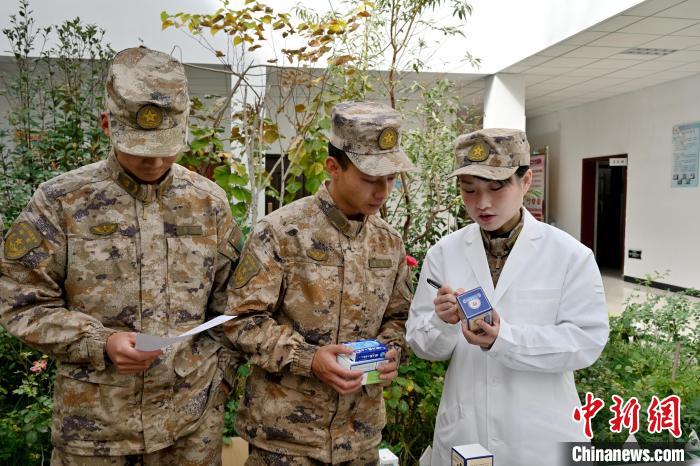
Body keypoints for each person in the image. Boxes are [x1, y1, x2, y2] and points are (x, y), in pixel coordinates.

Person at [0, 47, 241, 465]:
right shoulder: (61, 201)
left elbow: (235, 303)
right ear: (107, 125)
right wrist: (100, 342)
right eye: (140, 148)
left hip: (190, 431)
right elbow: (19, 301)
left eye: (167, 146)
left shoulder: (209, 203)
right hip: (96, 433)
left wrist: (222, 381)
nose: (155, 160)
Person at [223, 101, 415, 465]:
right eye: (370, 178)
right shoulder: (281, 232)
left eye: (391, 178)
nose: (383, 190)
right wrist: (309, 359)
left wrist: (392, 351)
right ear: (333, 167)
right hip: (285, 441)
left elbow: (399, 318)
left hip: (359, 439)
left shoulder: (388, 242)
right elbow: (241, 321)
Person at [405, 128, 609, 466]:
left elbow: (586, 342)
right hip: (465, 431)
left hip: (540, 439)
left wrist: (505, 339)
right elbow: (423, 345)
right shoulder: (444, 253)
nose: (482, 203)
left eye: (496, 187)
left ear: (525, 181)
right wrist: (442, 322)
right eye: (469, 189)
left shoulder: (570, 255)